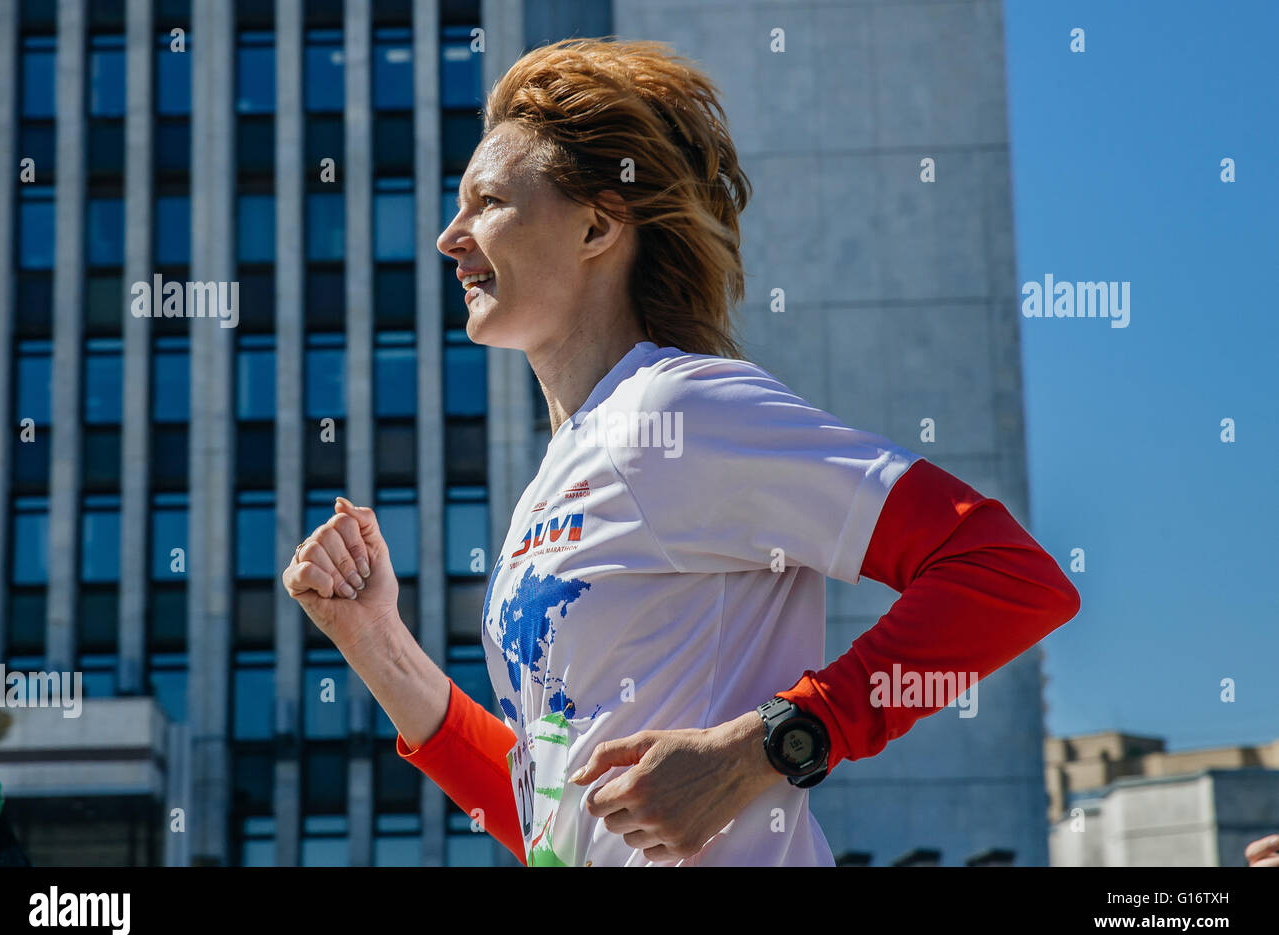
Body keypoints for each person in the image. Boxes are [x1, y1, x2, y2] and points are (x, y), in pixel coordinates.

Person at [283, 38, 1081, 866]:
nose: (451, 237)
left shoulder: (679, 406)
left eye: (486, 201)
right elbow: (552, 819)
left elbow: (1011, 578)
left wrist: (769, 745)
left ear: (598, 223)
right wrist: (371, 638)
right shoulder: (551, 484)